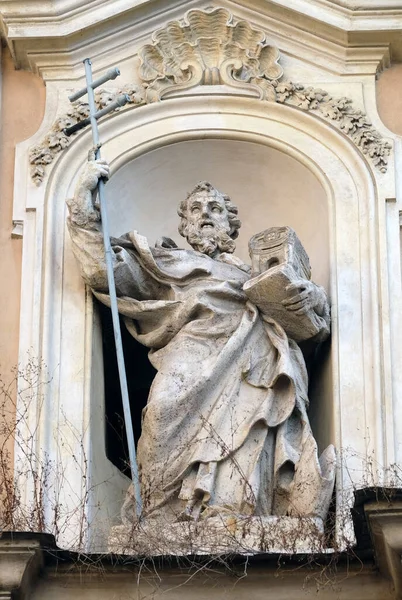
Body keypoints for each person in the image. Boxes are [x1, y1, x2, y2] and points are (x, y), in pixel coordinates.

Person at [66, 159, 335, 524]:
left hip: (255, 363)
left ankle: (236, 509)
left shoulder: (256, 272)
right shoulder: (166, 264)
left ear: (230, 225)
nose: (205, 214)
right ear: (185, 225)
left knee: (250, 429)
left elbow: (316, 322)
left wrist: (309, 297)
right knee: (162, 410)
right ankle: (160, 517)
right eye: (196, 209)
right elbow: (106, 271)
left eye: (215, 209)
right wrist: (82, 206)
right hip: (190, 353)